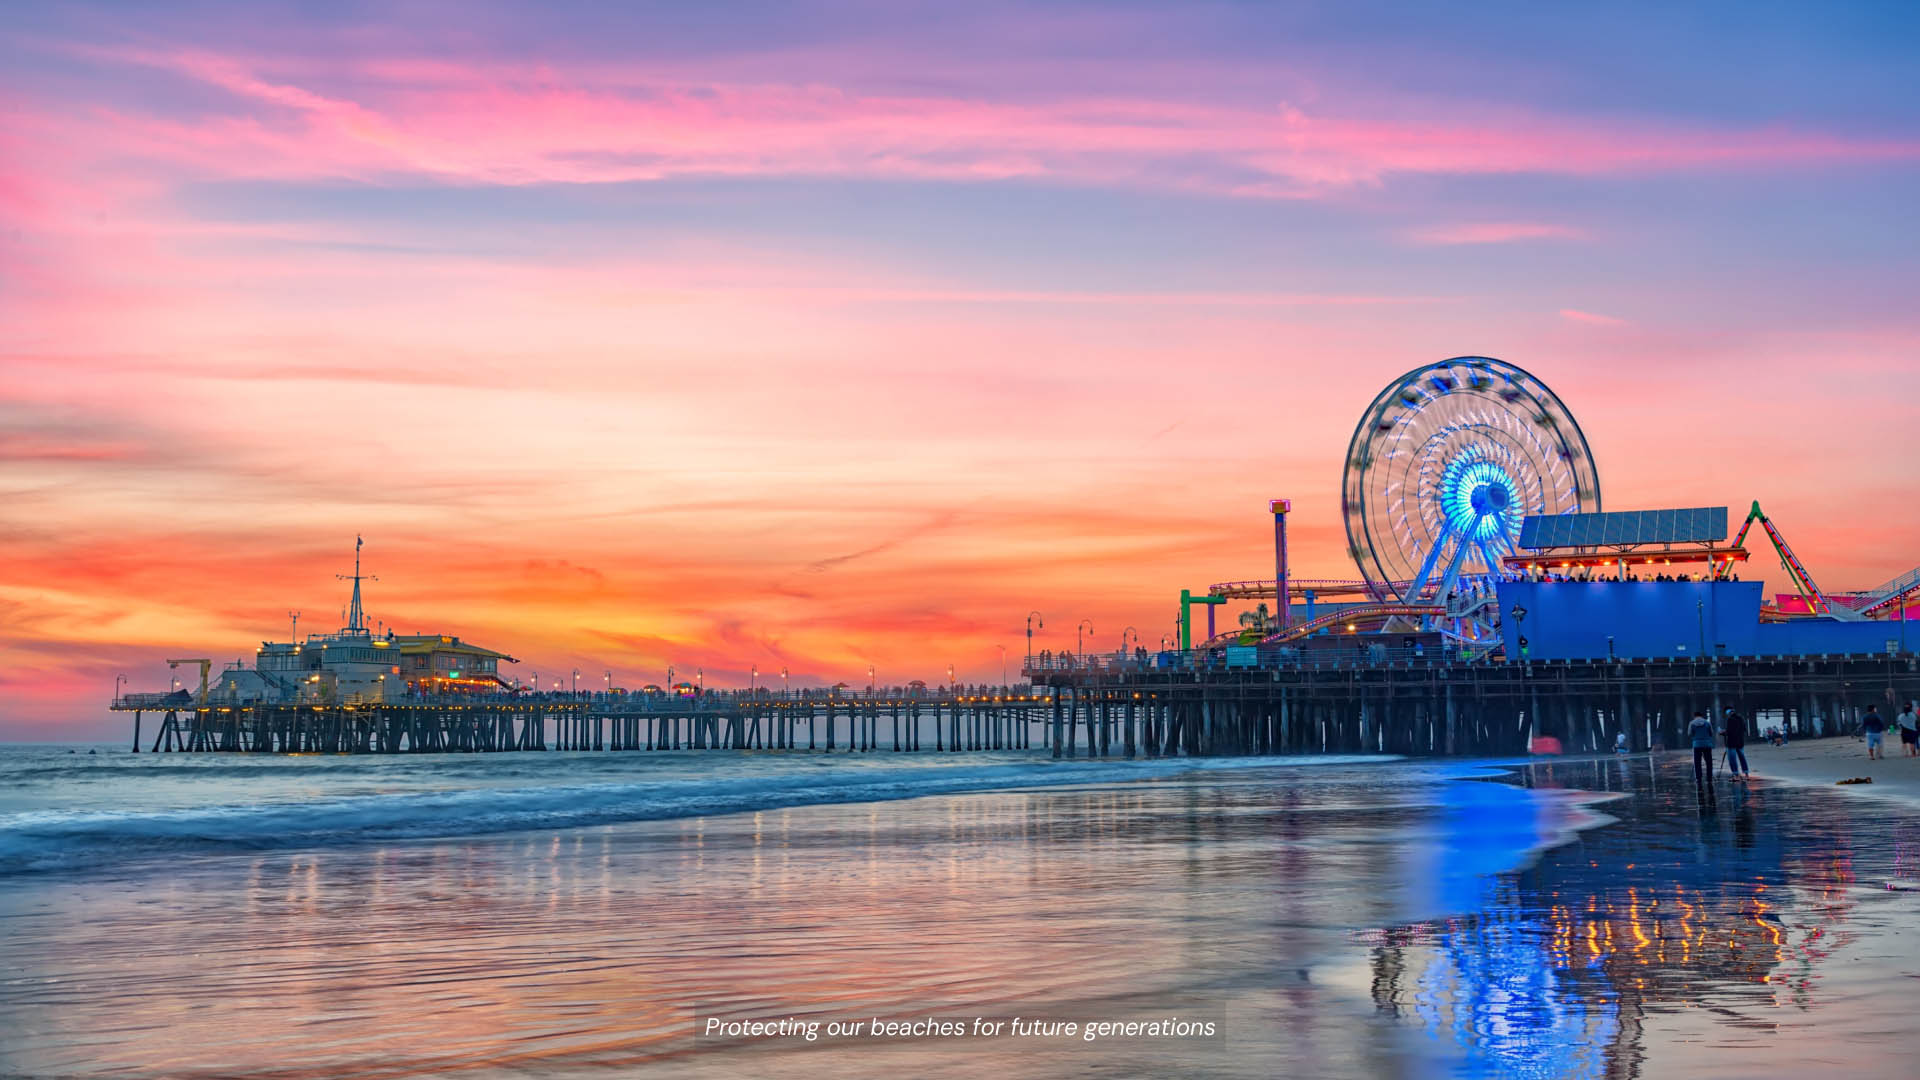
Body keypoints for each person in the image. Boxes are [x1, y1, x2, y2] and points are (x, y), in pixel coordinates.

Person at [1688, 710, 1716, 785]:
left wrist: (1695, 736)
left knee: (1697, 762)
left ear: (1694, 716)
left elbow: (1689, 734)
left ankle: (1699, 778)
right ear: (1702, 715)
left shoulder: (1692, 723)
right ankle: (1709, 777)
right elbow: (1711, 733)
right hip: (1707, 744)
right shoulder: (1707, 722)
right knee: (1709, 762)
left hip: (1697, 745)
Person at [1721, 708, 1751, 779]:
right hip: (1740, 742)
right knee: (1742, 758)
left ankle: (1735, 774)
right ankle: (1746, 773)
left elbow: (1729, 732)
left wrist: (1722, 732)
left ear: (1729, 713)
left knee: (1732, 759)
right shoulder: (1741, 719)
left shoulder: (1730, 719)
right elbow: (1744, 729)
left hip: (1731, 743)